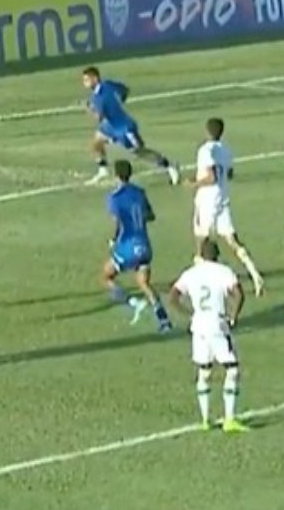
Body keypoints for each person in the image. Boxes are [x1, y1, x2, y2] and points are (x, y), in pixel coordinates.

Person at [168, 239, 248, 432]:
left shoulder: (191, 273)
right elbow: (238, 294)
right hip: (217, 325)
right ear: (217, 255)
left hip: (199, 327)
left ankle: (205, 419)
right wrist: (233, 317)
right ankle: (229, 419)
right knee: (232, 369)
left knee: (204, 371)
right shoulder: (223, 271)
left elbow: (173, 297)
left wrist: (191, 314)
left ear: (201, 256)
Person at [186, 117, 263, 296]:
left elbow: (211, 177)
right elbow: (229, 173)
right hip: (222, 197)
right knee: (232, 239)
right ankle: (254, 274)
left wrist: (193, 184)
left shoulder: (205, 150)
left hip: (207, 200)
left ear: (206, 131)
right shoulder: (226, 150)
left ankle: (200, 282)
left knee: (201, 240)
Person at [103, 159, 173, 332]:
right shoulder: (140, 192)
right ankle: (163, 320)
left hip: (127, 246)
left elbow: (117, 223)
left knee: (106, 277)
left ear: (116, 175)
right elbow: (151, 216)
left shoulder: (114, 198)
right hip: (144, 244)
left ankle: (133, 302)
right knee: (144, 283)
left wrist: (113, 240)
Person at [80, 67, 180, 186]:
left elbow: (98, 118)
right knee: (96, 143)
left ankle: (169, 166)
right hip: (110, 126)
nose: (84, 83)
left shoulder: (97, 98)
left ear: (95, 78)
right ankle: (103, 170)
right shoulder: (108, 84)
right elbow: (124, 90)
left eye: (86, 80)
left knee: (140, 152)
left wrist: (88, 108)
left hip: (124, 128)